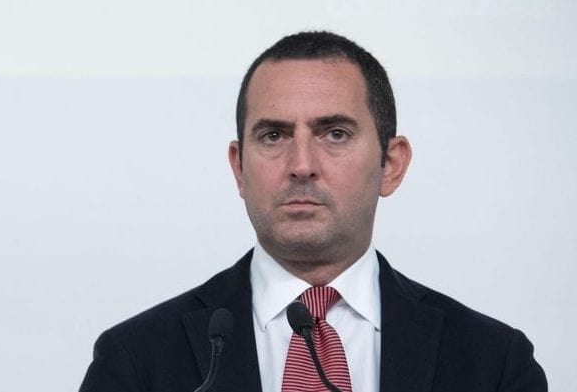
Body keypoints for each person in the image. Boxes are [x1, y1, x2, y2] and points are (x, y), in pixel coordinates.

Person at [79, 31, 547, 392]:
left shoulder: (494, 363)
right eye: (274, 136)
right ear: (239, 168)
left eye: (335, 134)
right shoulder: (136, 360)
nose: (301, 165)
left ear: (390, 164)